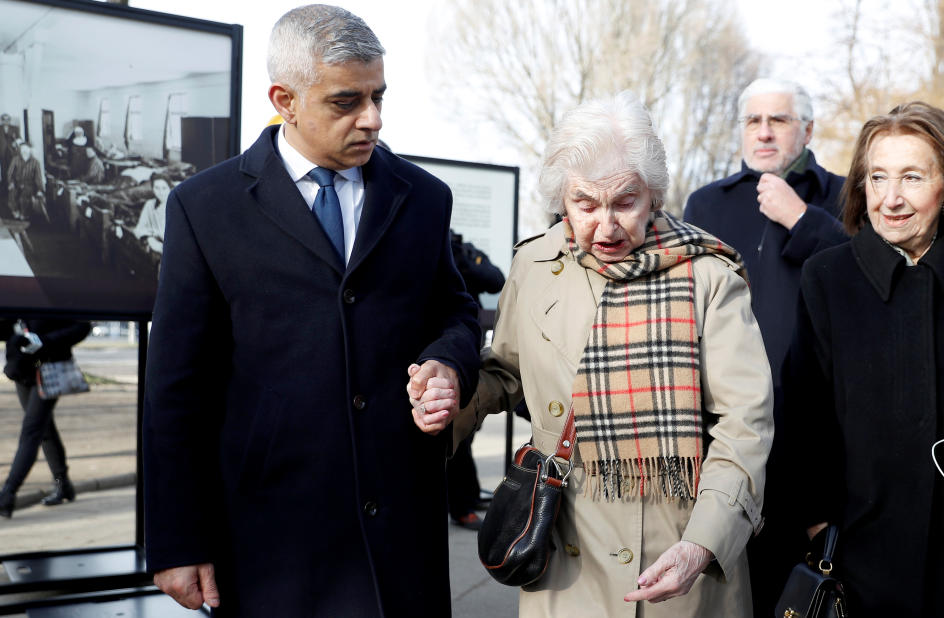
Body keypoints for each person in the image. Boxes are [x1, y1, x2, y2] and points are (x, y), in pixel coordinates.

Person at [143, 5, 480, 617]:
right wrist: (176, 539)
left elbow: (457, 314)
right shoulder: (205, 207)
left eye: (379, 96)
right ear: (285, 99)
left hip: (401, 530)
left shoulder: (424, 198)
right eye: (346, 101)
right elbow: (176, 385)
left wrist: (449, 364)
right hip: (272, 540)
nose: (372, 119)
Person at [447, 92, 773, 617]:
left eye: (625, 202)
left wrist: (704, 543)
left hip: (677, 561)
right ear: (562, 198)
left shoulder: (708, 275)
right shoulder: (534, 264)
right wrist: (446, 402)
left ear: (655, 196)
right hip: (564, 555)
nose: (605, 226)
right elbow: (505, 373)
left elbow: (747, 423)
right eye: (585, 204)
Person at [782, 101, 944, 617]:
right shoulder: (828, 278)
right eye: (877, 178)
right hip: (858, 561)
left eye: (911, 177)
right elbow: (801, 416)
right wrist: (818, 526)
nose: (891, 199)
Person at [683, 78, 847, 615]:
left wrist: (802, 218)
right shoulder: (707, 202)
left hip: (814, 425)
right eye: (753, 120)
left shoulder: (844, 196)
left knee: (800, 585)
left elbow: (867, 281)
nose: (764, 131)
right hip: (725, 424)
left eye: (778, 119)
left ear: (808, 129)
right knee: (726, 578)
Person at [0, 319, 91, 518]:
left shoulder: (54, 293)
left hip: (49, 368)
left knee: (32, 430)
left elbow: (82, 326)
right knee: (44, 429)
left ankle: (8, 493)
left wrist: (45, 340)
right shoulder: (13, 292)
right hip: (22, 370)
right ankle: (63, 484)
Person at [446, 230, 505, 530]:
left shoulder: (462, 249)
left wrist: (464, 255)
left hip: (467, 350)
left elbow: (494, 279)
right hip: (437, 354)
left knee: (466, 431)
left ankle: (466, 496)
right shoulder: (425, 241)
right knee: (456, 430)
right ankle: (461, 504)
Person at [7, 142, 44, 221]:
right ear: (20, 150)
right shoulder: (15, 159)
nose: (24, 151)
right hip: (17, 183)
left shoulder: (35, 162)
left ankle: (24, 214)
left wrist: (40, 189)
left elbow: (38, 177)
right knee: (12, 194)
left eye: (26, 149)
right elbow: (10, 173)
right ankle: (15, 211)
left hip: (29, 184)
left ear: (30, 150)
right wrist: (11, 183)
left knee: (24, 197)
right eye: (22, 149)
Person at [133, 172, 170, 252]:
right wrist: (150, 239)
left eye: (164, 188)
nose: (161, 192)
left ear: (170, 188)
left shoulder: (175, 207)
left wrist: (154, 234)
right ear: (153, 189)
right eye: (157, 188)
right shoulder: (150, 204)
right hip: (157, 245)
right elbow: (138, 229)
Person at [0, 113, 20, 212]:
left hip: (12, 154)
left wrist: (15, 143)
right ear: (2, 120)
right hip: (2, 154)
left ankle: (13, 193)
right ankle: (5, 194)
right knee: (4, 173)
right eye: (4, 119)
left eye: (8, 119)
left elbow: (19, 139)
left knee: (12, 172)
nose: (6, 121)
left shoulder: (15, 128)